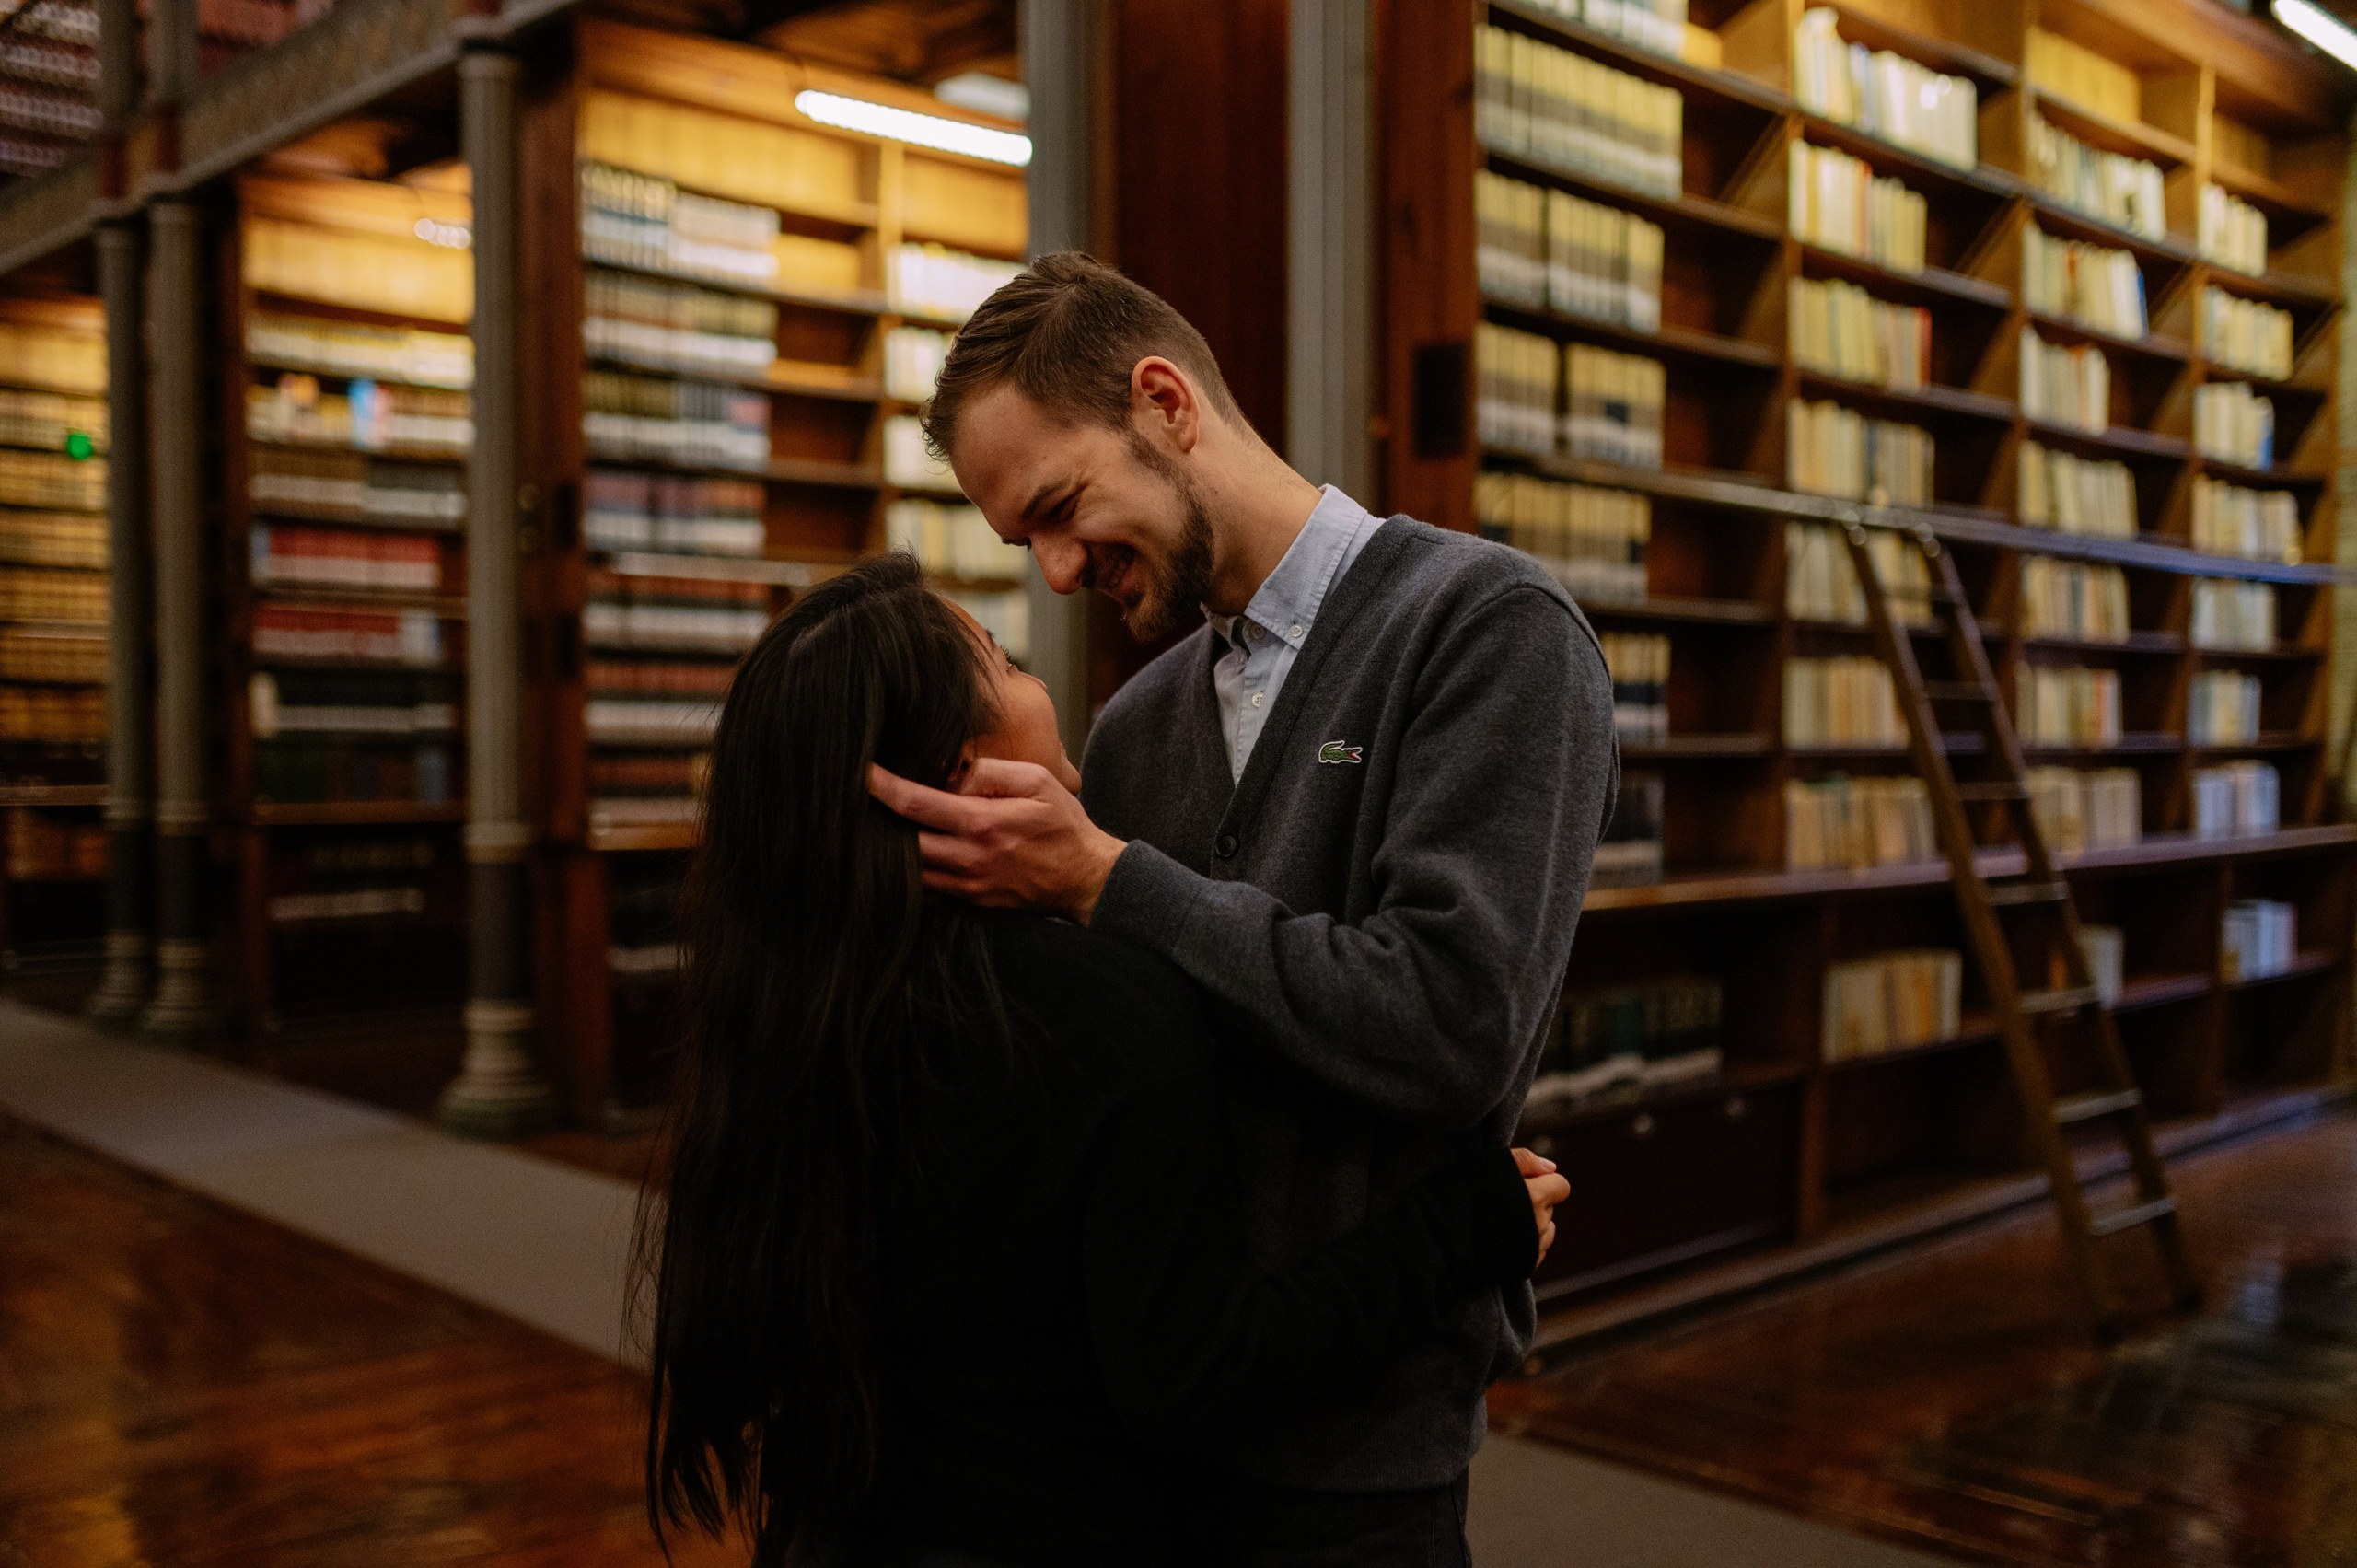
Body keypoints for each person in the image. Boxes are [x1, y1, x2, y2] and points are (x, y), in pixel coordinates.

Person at [868, 253, 1620, 1564]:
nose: (1052, 572)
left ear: (1166, 402)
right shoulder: (1142, 720)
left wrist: (1105, 878)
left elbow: (1449, 1023)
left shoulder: (1488, 628)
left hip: (1356, 1456)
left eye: (1059, 506)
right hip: (1142, 1435)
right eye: (1020, 541)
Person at [638, 554, 1573, 1568]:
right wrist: (1461, 1226)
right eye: (1001, 658)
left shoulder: (794, 1007)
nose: (1040, 665)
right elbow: (1197, 1371)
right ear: (964, 774)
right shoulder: (1095, 1006)